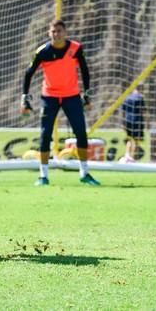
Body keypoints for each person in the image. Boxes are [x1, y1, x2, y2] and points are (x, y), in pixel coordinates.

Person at [20, 20, 100, 186]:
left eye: (59, 31)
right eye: (53, 31)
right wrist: (25, 98)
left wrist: (87, 94)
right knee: (45, 134)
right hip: (49, 97)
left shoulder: (76, 48)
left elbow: (85, 70)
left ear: (65, 32)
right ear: (49, 33)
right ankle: (43, 176)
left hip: (72, 96)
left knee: (81, 133)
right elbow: (29, 74)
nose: (56, 34)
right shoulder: (43, 52)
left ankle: (84, 173)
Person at [120, 85, 145, 163]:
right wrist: (147, 123)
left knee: (130, 139)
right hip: (137, 120)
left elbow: (123, 112)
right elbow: (143, 111)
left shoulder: (127, 98)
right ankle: (131, 157)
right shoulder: (140, 98)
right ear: (141, 89)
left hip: (128, 120)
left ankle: (127, 155)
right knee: (136, 140)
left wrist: (123, 123)